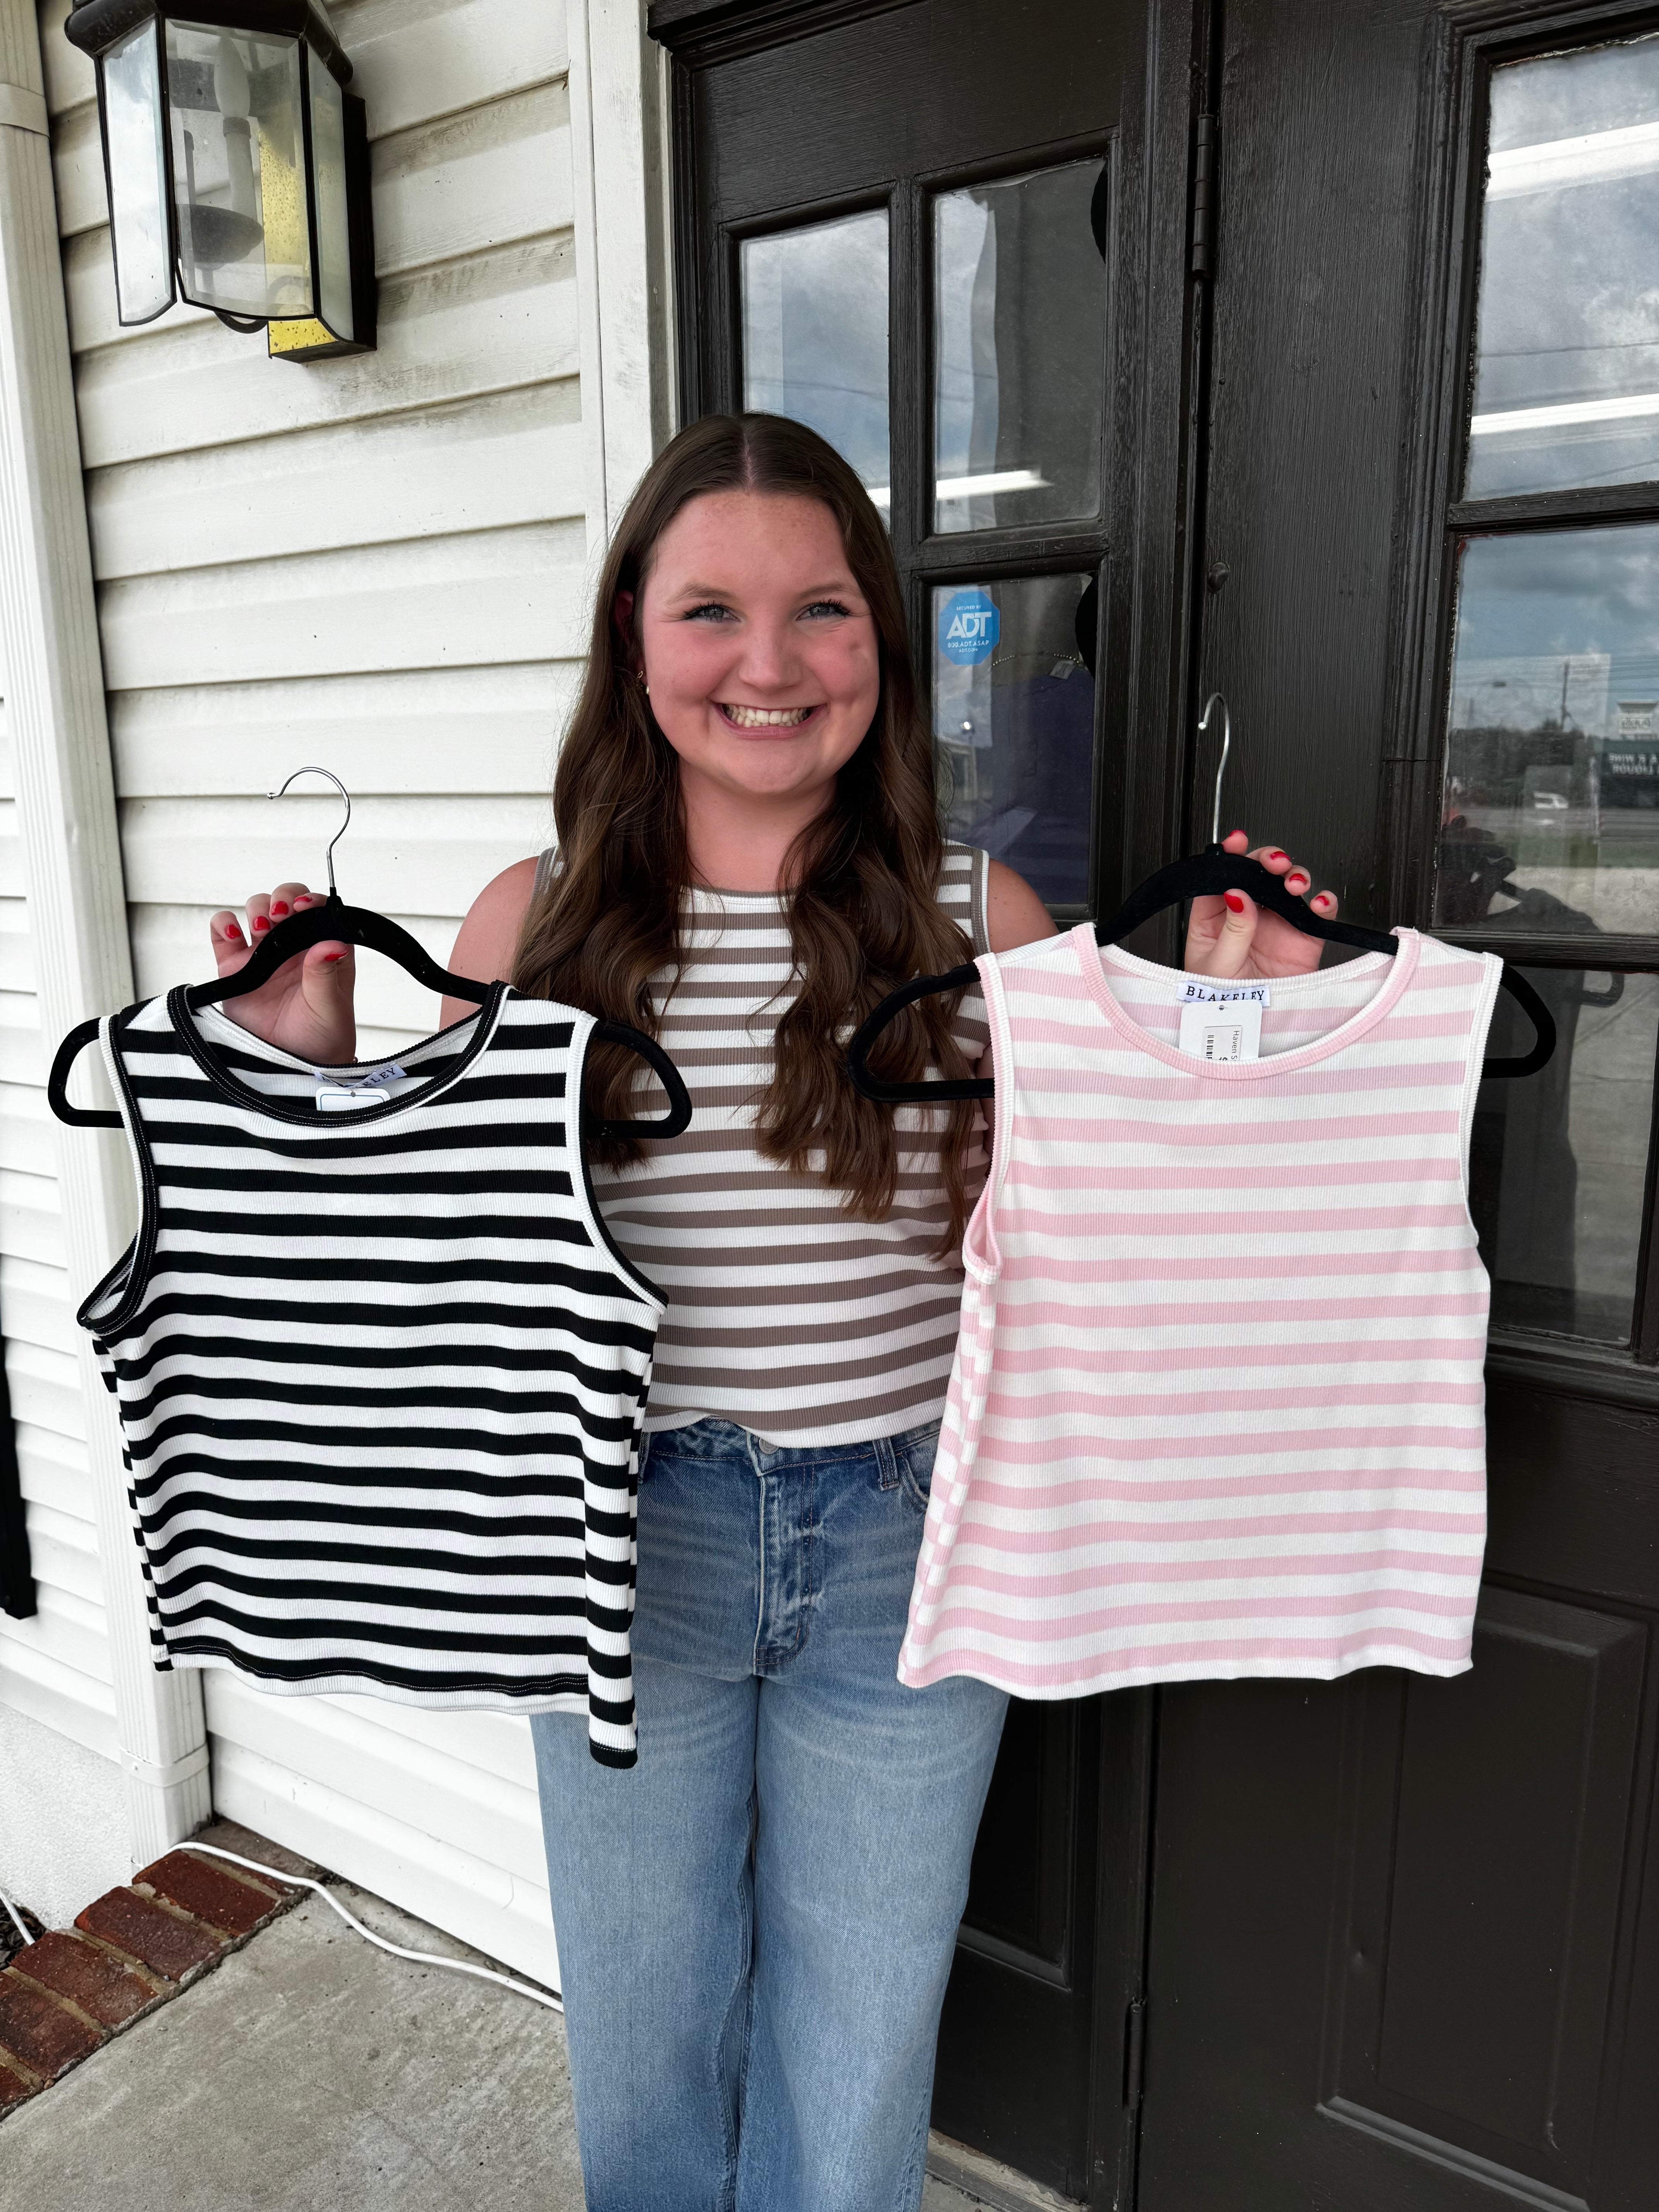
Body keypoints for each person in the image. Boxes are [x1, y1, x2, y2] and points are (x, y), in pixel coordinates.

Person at [210, 412, 1339, 2212]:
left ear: (880, 645)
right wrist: (314, 1072)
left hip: (908, 1549)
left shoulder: (988, 919)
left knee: (861, 2043)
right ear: (631, 644)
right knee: (648, 2038)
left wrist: (1235, 1030)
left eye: (820, 611)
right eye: (709, 611)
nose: (767, 662)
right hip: (615, 1551)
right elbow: (403, 1297)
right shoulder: (533, 919)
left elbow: (1134, 1250)